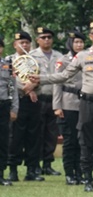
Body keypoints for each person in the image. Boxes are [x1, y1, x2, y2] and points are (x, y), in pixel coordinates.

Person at [27, 20, 93, 191]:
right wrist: (42, 79)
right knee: (86, 141)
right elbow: (64, 75)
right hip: (87, 102)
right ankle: (87, 179)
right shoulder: (82, 56)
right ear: (90, 36)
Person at [7, 31, 44, 182]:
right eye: (21, 43)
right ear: (15, 45)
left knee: (33, 136)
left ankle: (32, 170)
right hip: (17, 101)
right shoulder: (8, 61)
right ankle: (13, 170)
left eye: (26, 43)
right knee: (15, 136)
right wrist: (26, 89)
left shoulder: (35, 61)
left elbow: (42, 79)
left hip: (33, 103)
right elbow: (8, 82)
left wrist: (33, 86)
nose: (24, 45)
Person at [30, 27, 64, 177]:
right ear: (37, 40)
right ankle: (35, 164)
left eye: (49, 37)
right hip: (37, 98)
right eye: (43, 37)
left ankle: (47, 164)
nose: (46, 40)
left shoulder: (59, 56)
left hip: (54, 99)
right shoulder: (32, 56)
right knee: (37, 133)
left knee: (51, 134)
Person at [53, 30, 86, 185]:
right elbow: (57, 83)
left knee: (82, 140)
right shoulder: (63, 60)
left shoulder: (87, 58)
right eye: (76, 42)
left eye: (81, 42)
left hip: (84, 104)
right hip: (67, 103)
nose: (78, 45)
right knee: (69, 140)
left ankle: (80, 172)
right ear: (70, 44)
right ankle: (69, 173)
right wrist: (57, 106)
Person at [0, 37, 18, 186]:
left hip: (4, 105)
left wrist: (14, 108)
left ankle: (1, 174)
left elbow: (13, 88)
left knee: (3, 141)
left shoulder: (7, 66)